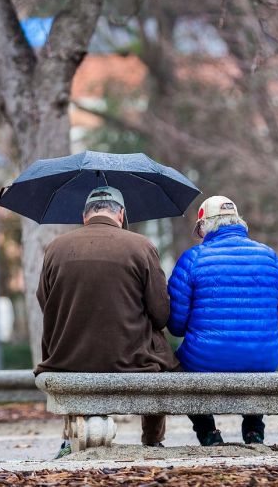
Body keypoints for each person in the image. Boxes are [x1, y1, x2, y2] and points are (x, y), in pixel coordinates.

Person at [35, 186, 178, 456]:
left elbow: (46, 302)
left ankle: (70, 437)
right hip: (132, 361)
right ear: (121, 214)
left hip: (68, 360)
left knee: (66, 334)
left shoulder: (55, 248)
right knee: (159, 344)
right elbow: (161, 314)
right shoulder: (142, 246)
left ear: (84, 215)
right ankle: (152, 438)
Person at [167, 195, 278, 446]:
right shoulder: (269, 256)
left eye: (198, 229)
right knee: (253, 356)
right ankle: (254, 429)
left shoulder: (193, 258)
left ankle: (208, 432)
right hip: (264, 357)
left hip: (204, 358)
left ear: (204, 226)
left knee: (180, 366)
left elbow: (176, 324)